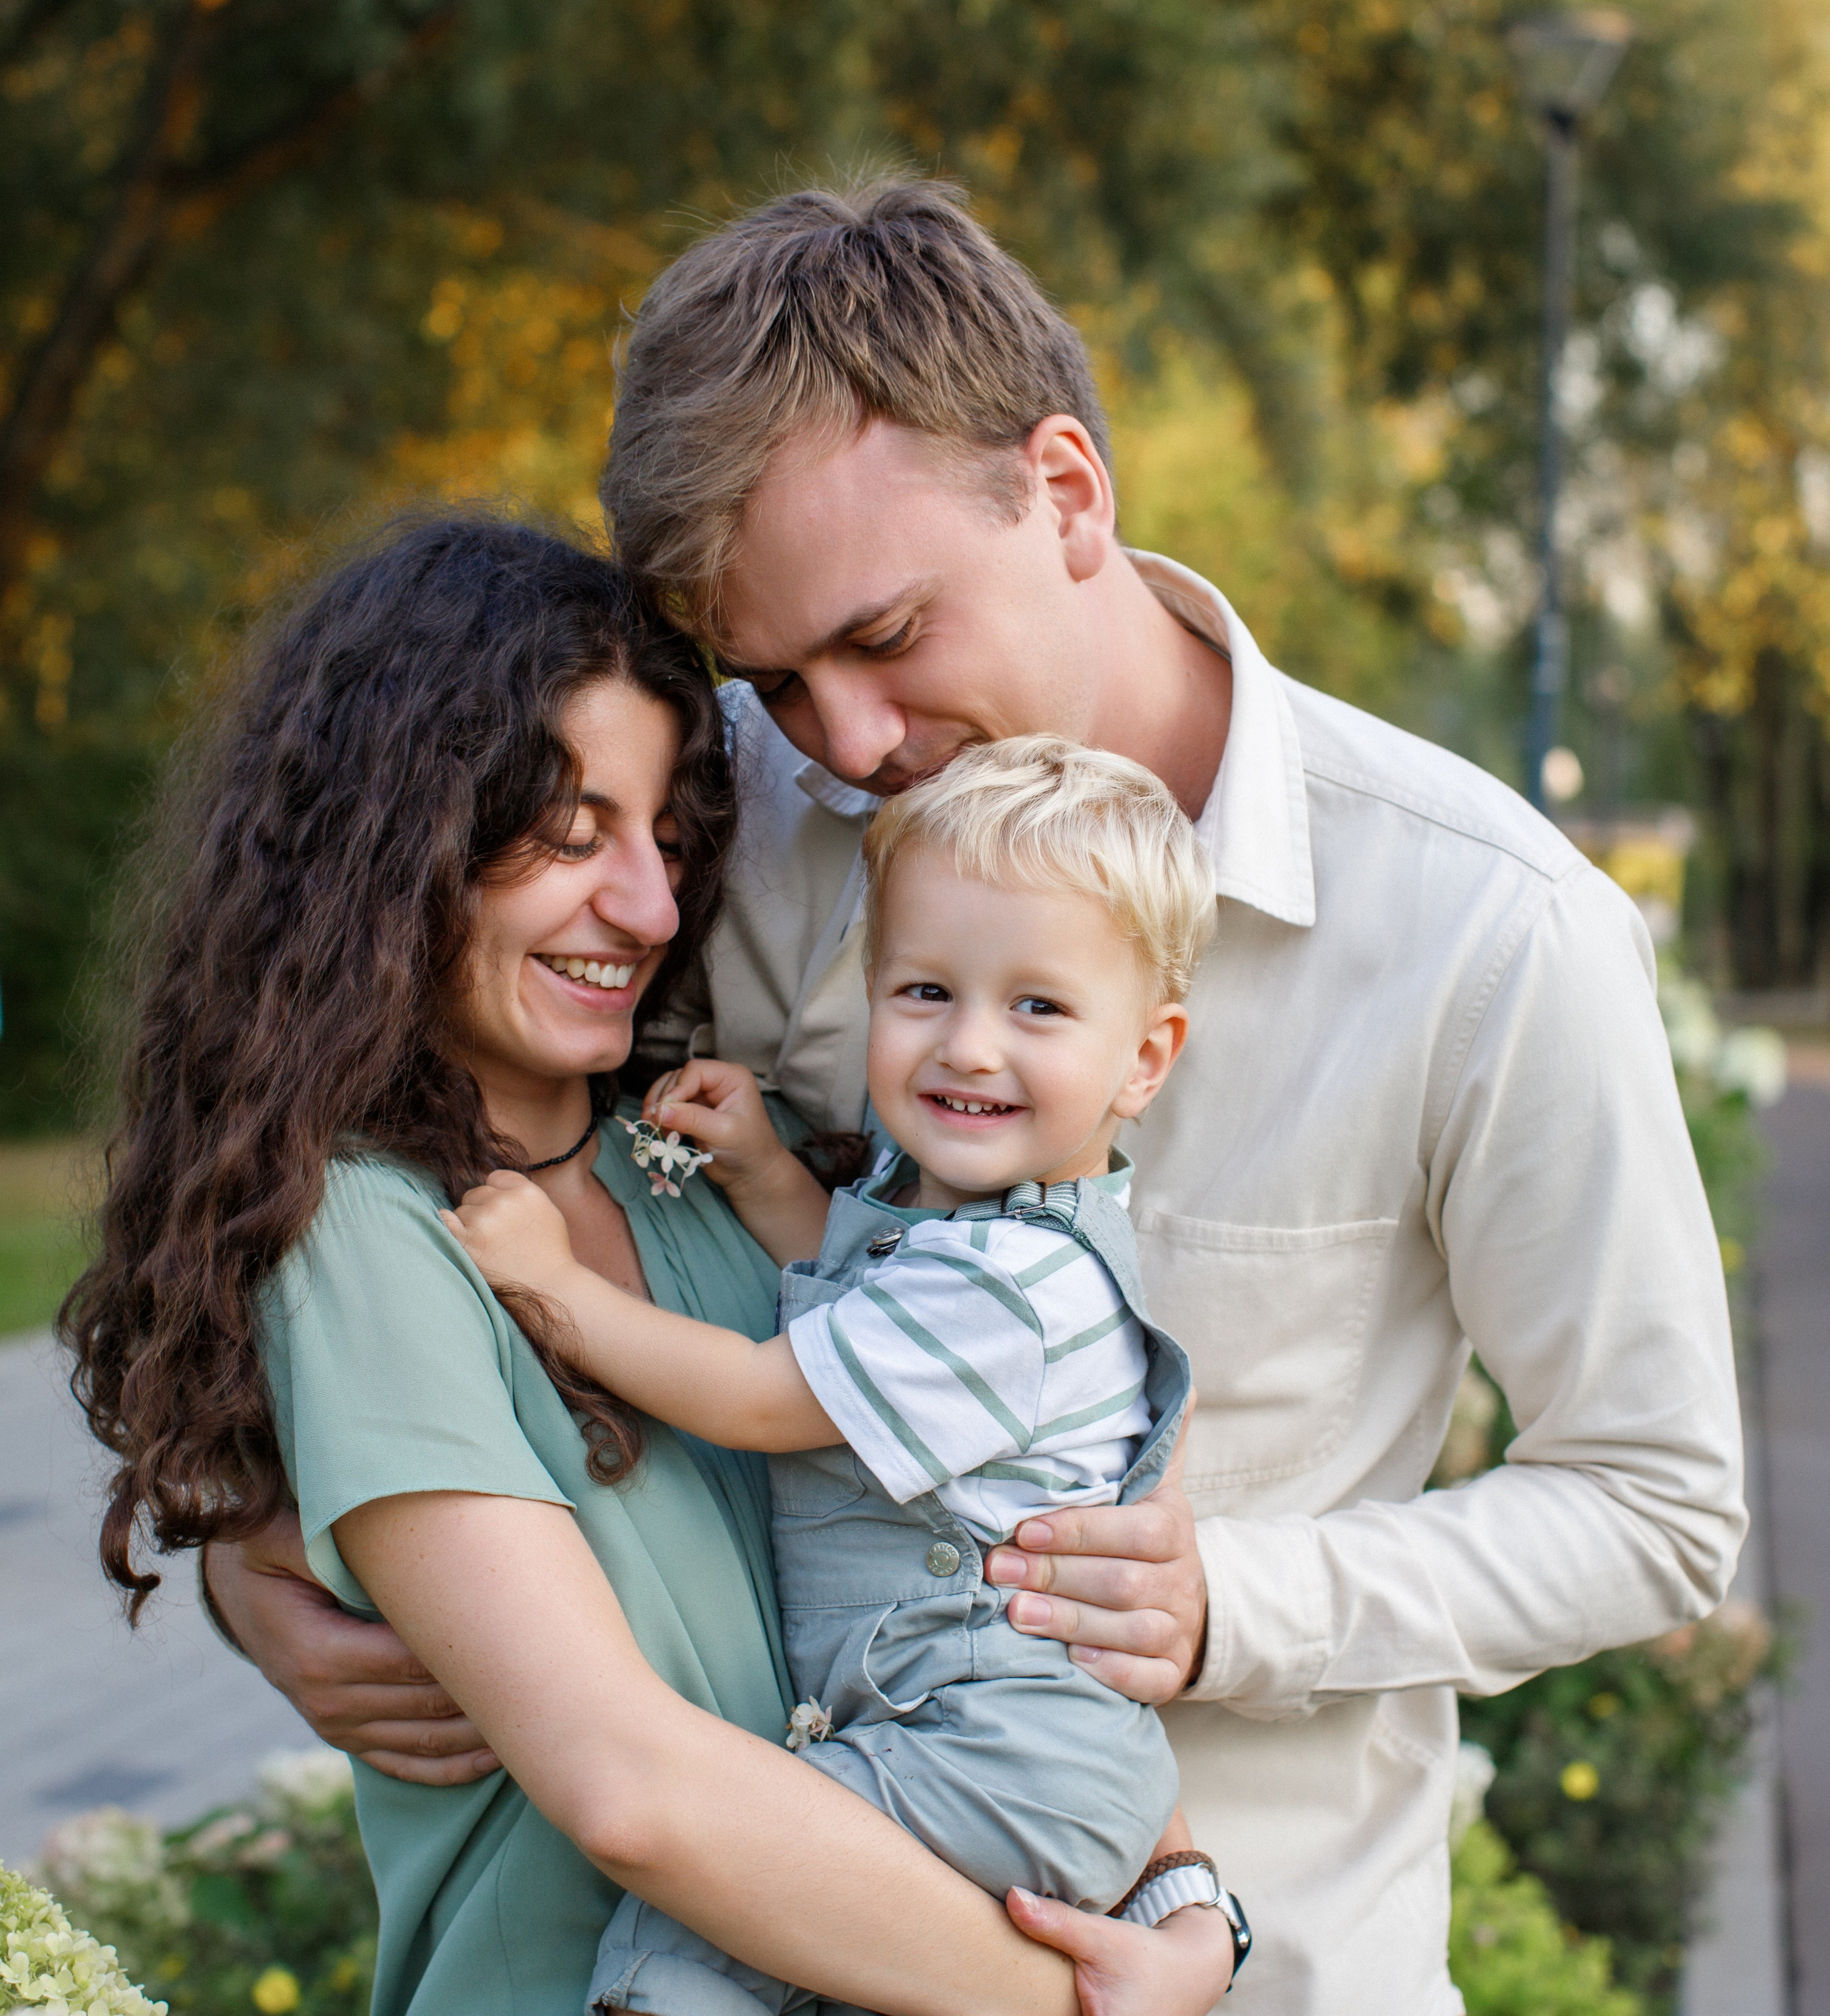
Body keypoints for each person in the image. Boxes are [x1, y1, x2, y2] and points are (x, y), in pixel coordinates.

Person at [209, 182, 1747, 2013]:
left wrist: (1229, 1605)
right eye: (776, 679)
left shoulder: (1486, 931)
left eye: (885, 637)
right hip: (789, 1927)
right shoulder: (742, 831)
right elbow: (390, 1092)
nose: (846, 742)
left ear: (1067, 493)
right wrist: (263, 1535)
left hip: (1245, 1961)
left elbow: (1654, 1505)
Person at [61, 515, 1238, 2016]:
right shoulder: (369, 1232)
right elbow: (632, 1794)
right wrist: (1072, 2003)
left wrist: (1188, 1909)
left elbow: (999, 1593)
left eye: (668, 840)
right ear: (393, 846)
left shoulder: (712, 1164)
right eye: (569, 834)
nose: (651, 907)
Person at [449, 737, 1250, 2014]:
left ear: (1146, 1060)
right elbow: (859, 1303)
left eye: (1038, 1009)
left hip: (997, 1751)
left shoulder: (1012, 1289)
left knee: (704, 1906)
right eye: (926, 991)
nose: (968, 1047)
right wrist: (771, 1175)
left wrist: (555, 1287)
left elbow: (766, 1396)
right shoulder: (969, 1227)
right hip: (991, 1743)